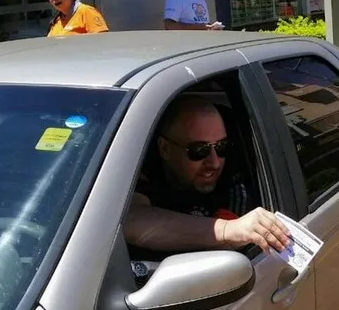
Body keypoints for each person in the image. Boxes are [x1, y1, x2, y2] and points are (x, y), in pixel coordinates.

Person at [124, 96, 289, 260]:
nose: (215, 163)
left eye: (221, 146)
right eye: (199, 150)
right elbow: (130, 220)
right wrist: (227, 230)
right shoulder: (142, 172)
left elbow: (233, 251)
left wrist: (235, 230)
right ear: (165, 149)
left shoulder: (236, 181)